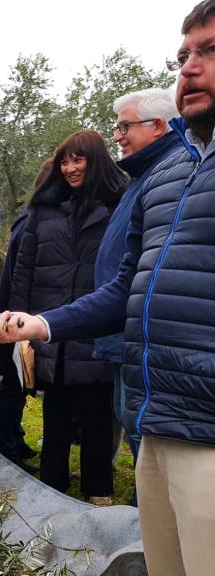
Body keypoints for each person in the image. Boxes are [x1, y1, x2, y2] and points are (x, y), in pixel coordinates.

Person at [0, 4, 215, 571]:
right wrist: (43, 324)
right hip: (154, 420)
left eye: (210, 51)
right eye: (183, 55)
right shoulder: (167, 176)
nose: (189, 69)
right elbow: (124, 287)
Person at [8, 131, 127, 504]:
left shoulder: (119, 208)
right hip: (51, 328)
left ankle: (98, 490)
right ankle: (52, 486)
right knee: (54, 412)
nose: (70, 168)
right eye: (64, 161)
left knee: (96, 415)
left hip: (94, 326)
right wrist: (20, 321)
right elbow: (24, 270)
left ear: (96, 162)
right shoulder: (43, 210)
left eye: (79, 160)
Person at [100, 88, 179, 468]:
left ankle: (145, 519)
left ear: (159, 126)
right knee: (129, 420)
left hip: (142, 335)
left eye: (125, 127)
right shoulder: (142, 176)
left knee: (142, 431)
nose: (117, 136)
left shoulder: (167, 176)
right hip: (124, 330)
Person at [0, 159, 52, 471]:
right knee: (13, 385)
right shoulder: (32, 223)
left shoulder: (30, 219)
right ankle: (3, 447)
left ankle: (14, 436)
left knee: (20, 385)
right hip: (18, 319)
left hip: (19, 316)